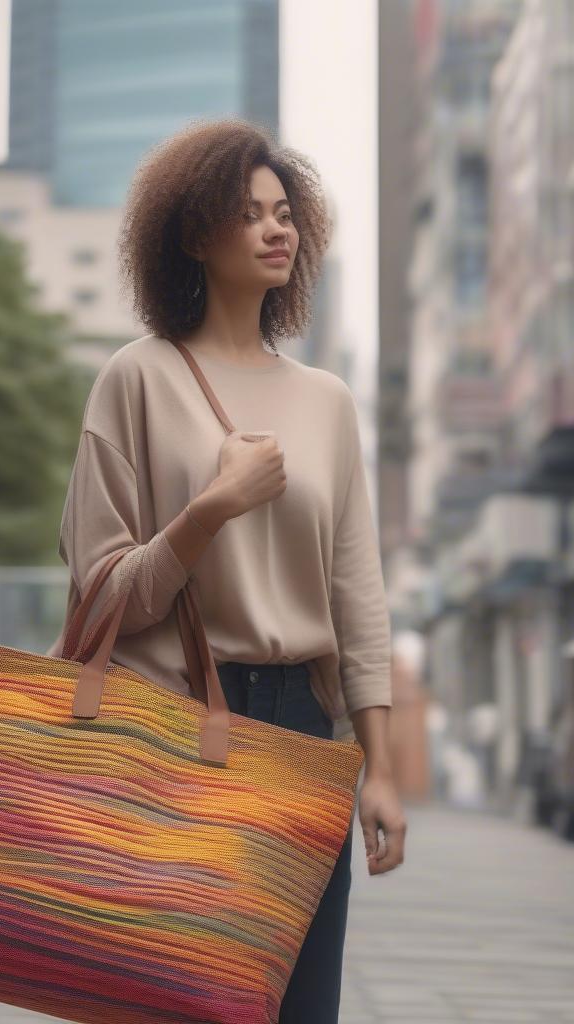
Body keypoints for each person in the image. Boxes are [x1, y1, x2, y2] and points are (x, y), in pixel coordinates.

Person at [49, 117, 406, 1024]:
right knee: (173, 1001)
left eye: (284, 212)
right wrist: (209, 510)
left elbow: (357, 595)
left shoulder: (327, 403)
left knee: (299, 1005)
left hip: (301, 733)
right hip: (171, 723)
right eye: (248, 215)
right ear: (195, 236)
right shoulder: (137, 380)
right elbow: (101, 596)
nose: (275, 230)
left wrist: (382, 769)